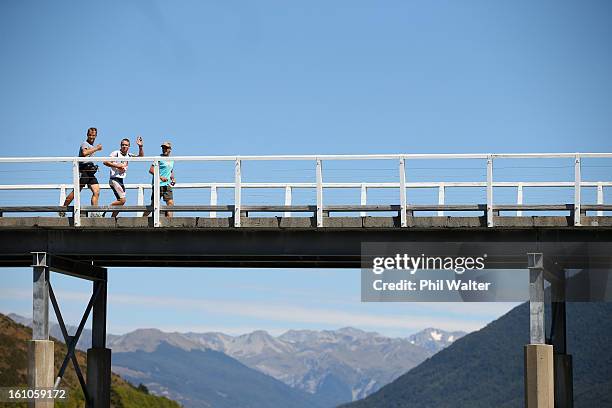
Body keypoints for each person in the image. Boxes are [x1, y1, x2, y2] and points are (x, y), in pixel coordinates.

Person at [60, 127, 103, 217]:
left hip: (91, 172)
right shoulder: (85, 143)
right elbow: (84, 153)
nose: (92, 137)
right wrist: (96, 149)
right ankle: (62, 209)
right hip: (84, 171)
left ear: (96, 136)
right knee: (76, 191)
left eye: (94, 135)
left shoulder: (91, 145)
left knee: (96, 191)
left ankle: (94, 213)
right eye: (90, 135)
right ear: (87, 135)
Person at [103, 136, 145, 217]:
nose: (124, 146)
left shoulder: (129, 155)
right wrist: (117, 165)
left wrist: (140, 146)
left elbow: (141, 157)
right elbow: (105, 162)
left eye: (126, 145)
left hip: (121, 180)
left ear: (129, 146)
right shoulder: (116, 153)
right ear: (120, 145)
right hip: (114, 179)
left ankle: (113, 218)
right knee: (122, 200)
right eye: (123, 145)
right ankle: (105, 209)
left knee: (121, 202)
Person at [143, 141, 175, 218]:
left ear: (170, 149)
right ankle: (142, 219)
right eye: (163, 148)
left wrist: (173, 178)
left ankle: (169, 222)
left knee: (170, 203)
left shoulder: (172, 160)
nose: (164, 149)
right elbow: (151, 170)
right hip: (158, 184)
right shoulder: (158, 158)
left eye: (166, 148)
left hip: (167, 184)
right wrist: (160, 177)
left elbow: (170, 170)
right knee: (153, 204)